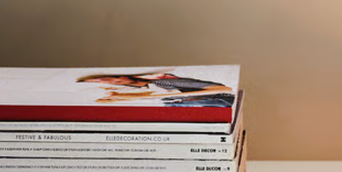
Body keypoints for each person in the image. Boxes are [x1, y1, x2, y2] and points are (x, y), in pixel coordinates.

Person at [76, 71, 234, 107]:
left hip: (215, 102)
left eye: (106, 77)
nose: (109, 81)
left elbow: (223, 89)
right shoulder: (128, 92)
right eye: (97, 81)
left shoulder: (164, 82)